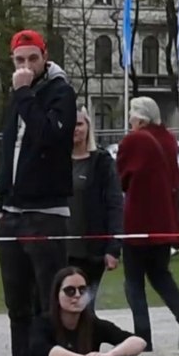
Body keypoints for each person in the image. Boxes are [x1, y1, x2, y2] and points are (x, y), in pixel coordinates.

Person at [0, 29, 77, 356]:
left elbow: (50, 137)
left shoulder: (60, 92)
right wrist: (2, 204)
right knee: (17, 306)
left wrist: (24, 96)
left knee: (47, 305)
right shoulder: (15, 96)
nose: (24, 67)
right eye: (18, 61)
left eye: (31, 60)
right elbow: (9, 150)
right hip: (14, 214)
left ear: (44, 57)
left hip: (46, 213)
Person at [116, 96, 179, 351]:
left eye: (131, 116)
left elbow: (121, 178)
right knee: (160, 274)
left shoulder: (134, 140)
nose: (129, 121)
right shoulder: (168, 139)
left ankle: (143, 337)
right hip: (164, 222)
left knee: (133, 281)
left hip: (138, 222)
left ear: (140, 118)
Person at [66, 108, 123, 311]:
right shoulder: (56, 161)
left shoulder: (101, 162)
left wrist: (113, 248)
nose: (75, 129)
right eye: (71, 124)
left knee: (85, 308)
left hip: (92, 251)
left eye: (80, 124)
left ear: (88, 127)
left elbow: (115, 204)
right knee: (62, 307)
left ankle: (88, 343)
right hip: (62, 249)